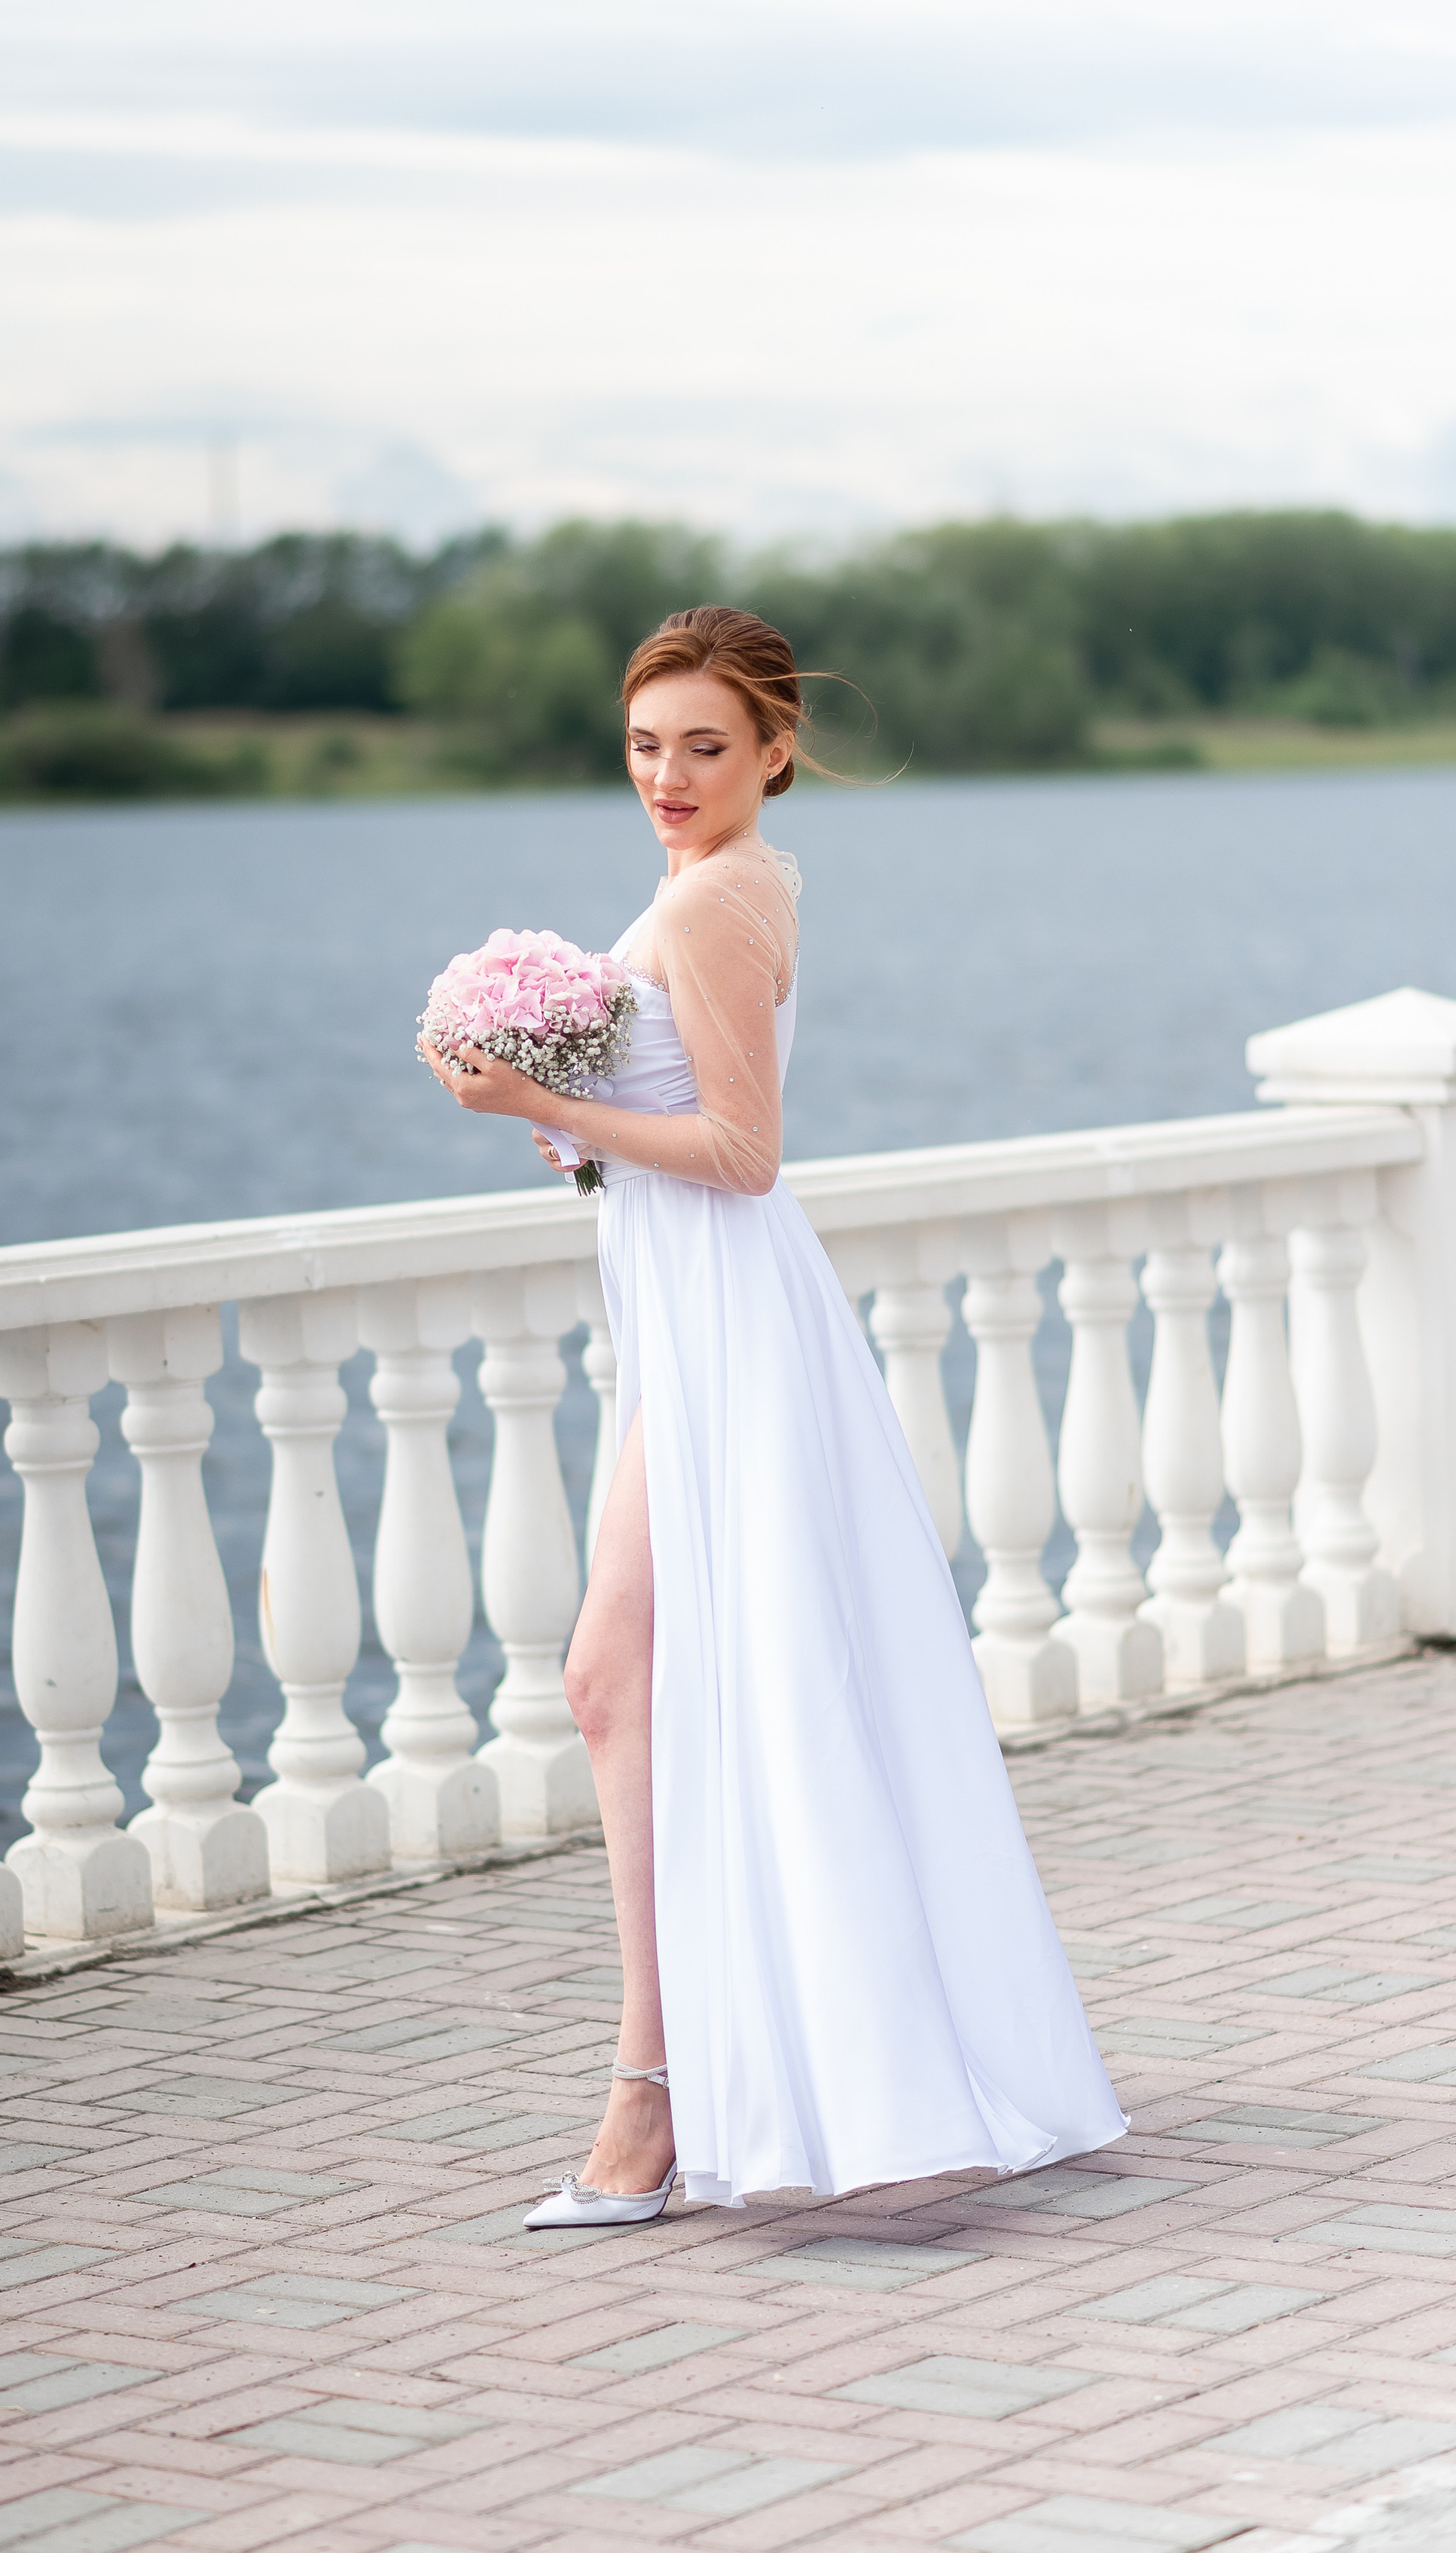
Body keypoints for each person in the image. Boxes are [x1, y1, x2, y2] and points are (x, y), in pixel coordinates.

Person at [420, 606, 1125, 2224]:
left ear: (776, 749)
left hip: (731, 1309)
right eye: (643, 744)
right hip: (683, 1310)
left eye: (705, 746)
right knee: (620, 1679)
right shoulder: (716, 879)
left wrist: (538, 1095)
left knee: (673, 1679)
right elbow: (676, 1112)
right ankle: (690, 2078)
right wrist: (575, 1126)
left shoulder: (722, 894)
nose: (666, 775)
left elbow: (744, 1153)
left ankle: (656, 2095)